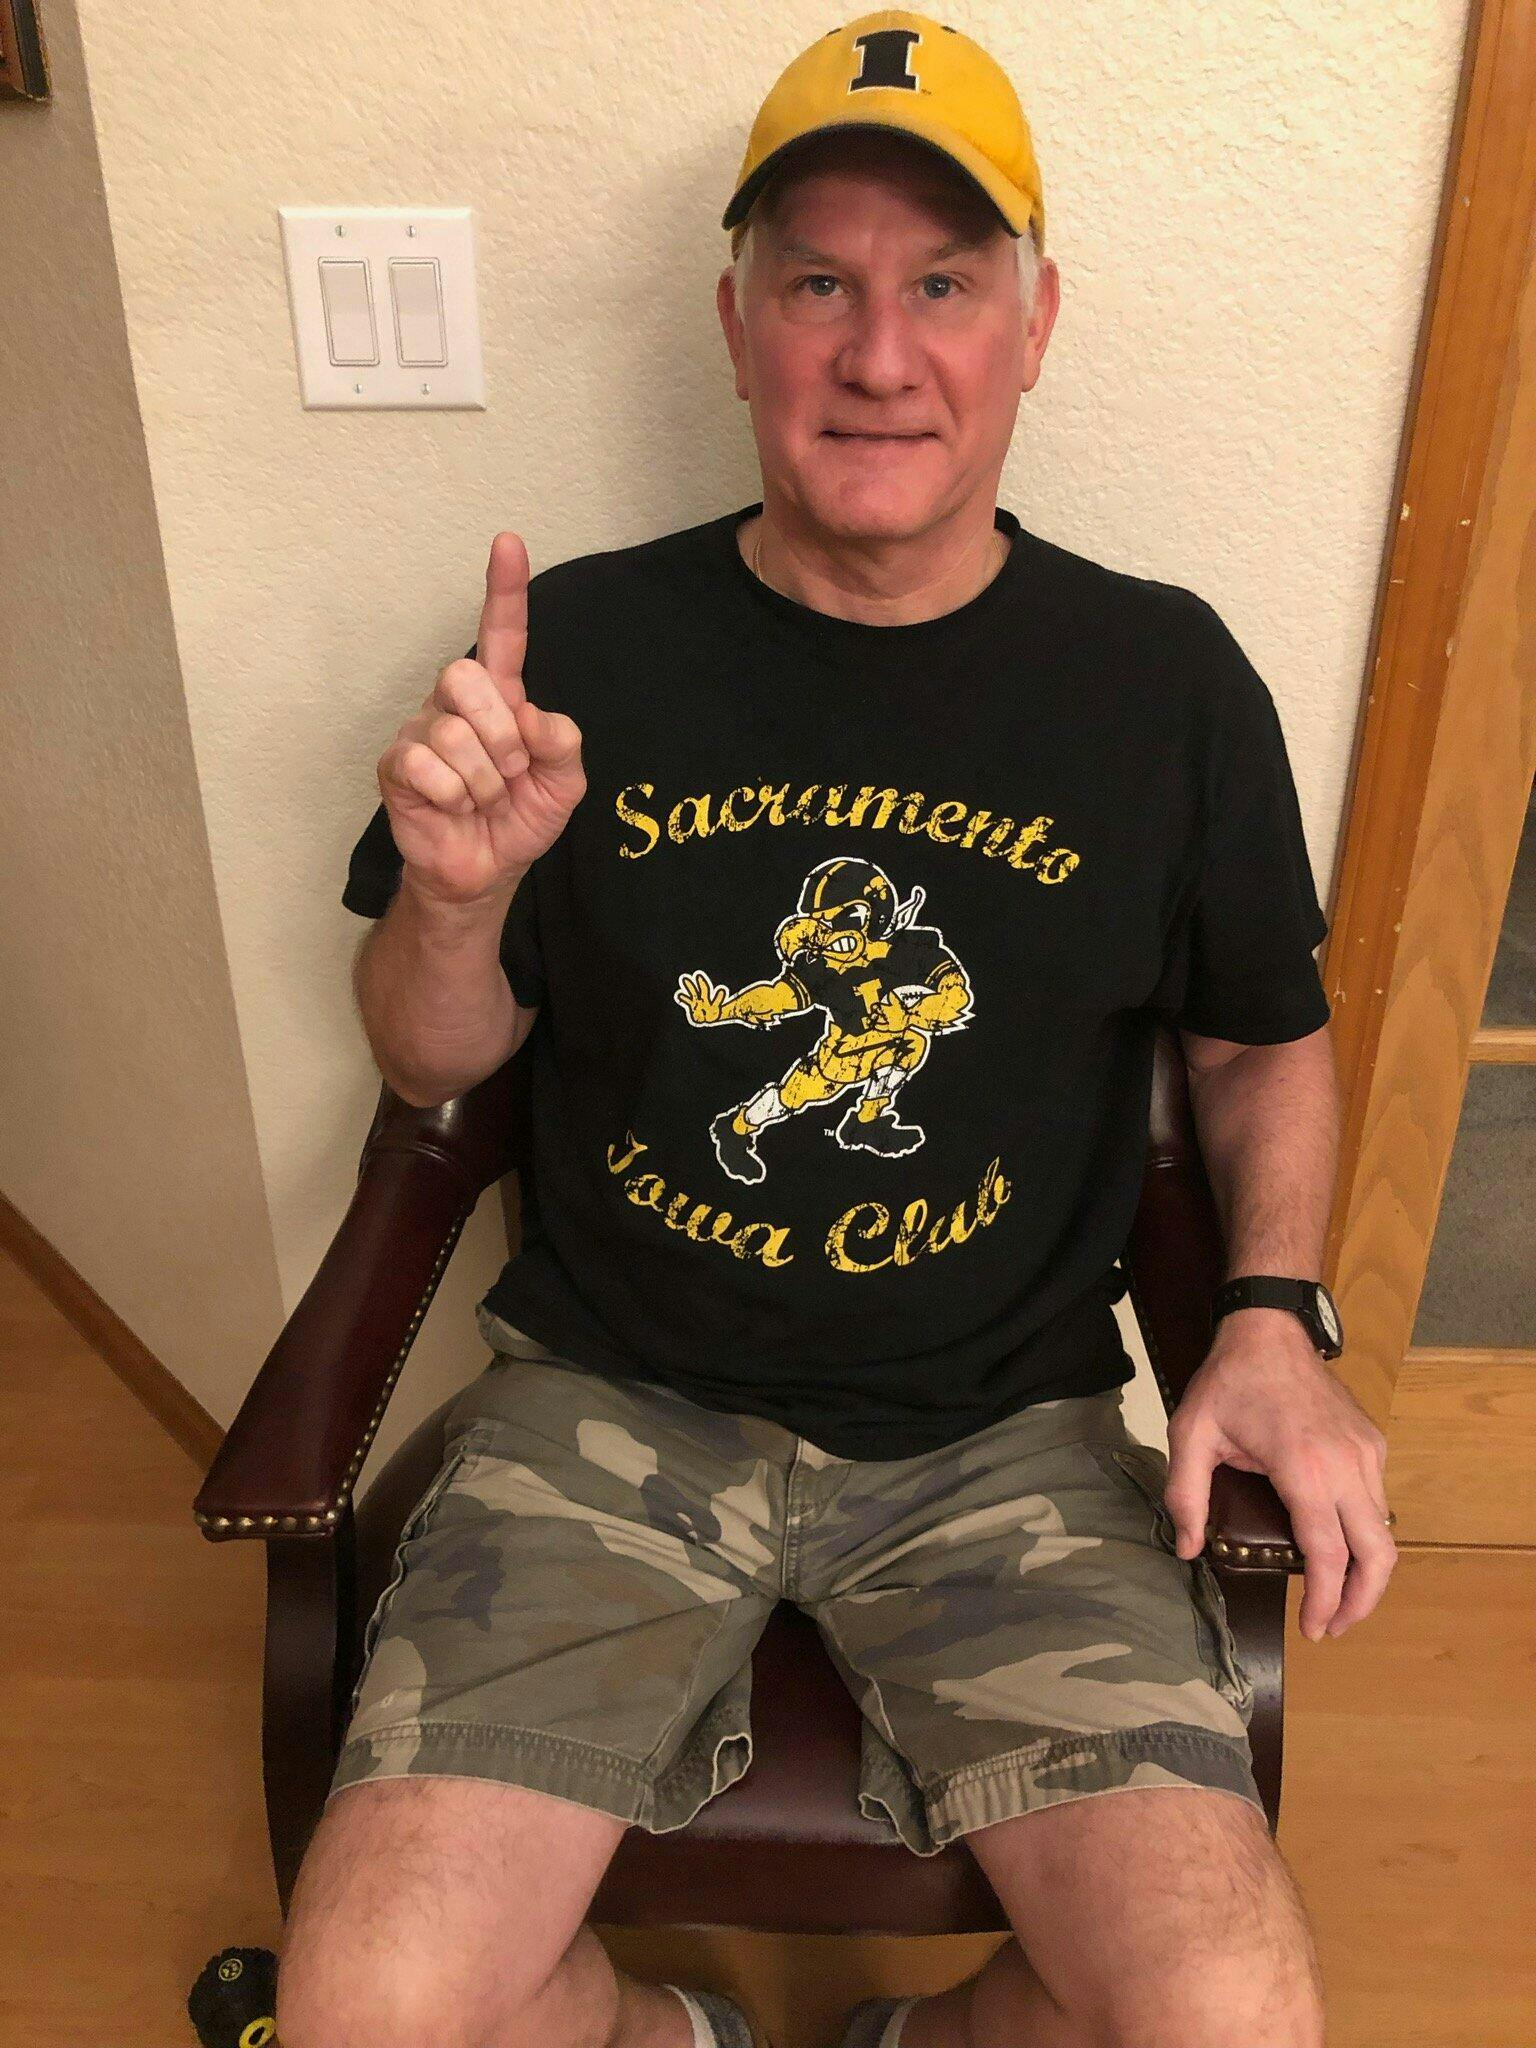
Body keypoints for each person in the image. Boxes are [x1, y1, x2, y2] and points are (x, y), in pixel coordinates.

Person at [276, 13, 1397, 2048]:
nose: (882, 356)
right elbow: (433, 1066)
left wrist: (1270, 1318)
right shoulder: (577, 649)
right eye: (819, 287)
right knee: (369, 2014)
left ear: (1035, 325)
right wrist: (453, 900)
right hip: (606, 1417)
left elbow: (1258, 1040)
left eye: (944, 285)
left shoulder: (1162, 682)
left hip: (1007, 1445)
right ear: (738, 326)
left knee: (1231, 2022)